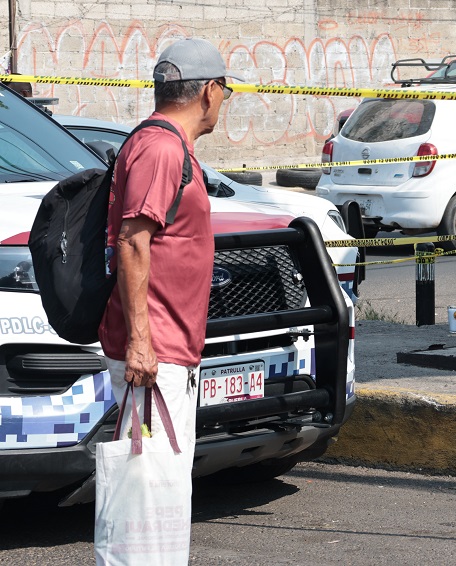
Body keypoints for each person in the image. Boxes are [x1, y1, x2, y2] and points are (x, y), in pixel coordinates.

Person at [97, 37, 239, 560]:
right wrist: (140, 342)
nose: (223, 100)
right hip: (152, 358)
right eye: (225, 90)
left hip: (166, 351)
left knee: (162, 489)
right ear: (208, 91)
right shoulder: (161, 149)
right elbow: (133, 241)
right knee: (146, 493)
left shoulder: (165, 146)